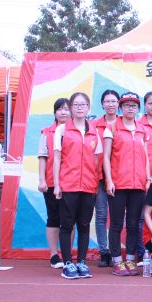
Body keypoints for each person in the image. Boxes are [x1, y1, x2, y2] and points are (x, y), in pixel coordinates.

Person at [52, 93, 100, 279]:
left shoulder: (94, 131)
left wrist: (95, 182)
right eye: (76, 105)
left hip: (88, 186)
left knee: (84, 225)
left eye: (83, 104)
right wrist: (57, 184)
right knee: (67, 225)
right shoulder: (62, 130)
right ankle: (67, 263)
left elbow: (96, 160)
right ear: (71, 108)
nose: (80, 107)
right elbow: (57, 158)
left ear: (88, 108)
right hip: (68, 184)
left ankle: (81, 262)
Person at [102, 91, 150, 276]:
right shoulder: (112, 128)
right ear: (121, 108)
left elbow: (146, 157)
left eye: (134, 105)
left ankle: (130, 259)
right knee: (116, 224)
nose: (131, 108)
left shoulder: (142, 130)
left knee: (133, 224)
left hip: (138, 184)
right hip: (118, 184)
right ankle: (116, 261)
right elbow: (106, 157)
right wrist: (109, 180)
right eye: (127, 105)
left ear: (138, 109)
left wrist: (147, 178)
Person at [38, 97, 70, 269]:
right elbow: (42, 157)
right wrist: (42, 180)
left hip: (72, 183)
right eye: (60, 109)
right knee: (54, 218)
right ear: (55, 112)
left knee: (70, 220)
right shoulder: (46, 132)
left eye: (66, 109)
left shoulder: (77, 131)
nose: (63, 112)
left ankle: (67, 254)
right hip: (51, 182)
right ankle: (53, 254)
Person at [93, 89, 120, 267]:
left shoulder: (125, 123)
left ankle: (117, 251)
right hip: (99, 177)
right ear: (102, 104)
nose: (111, 104)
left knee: (118, 217)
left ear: (118, 104)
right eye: (107, 101)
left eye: (114, 101)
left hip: (119, 176)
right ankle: (104, 252)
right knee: (101, 215)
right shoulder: (93, 125)